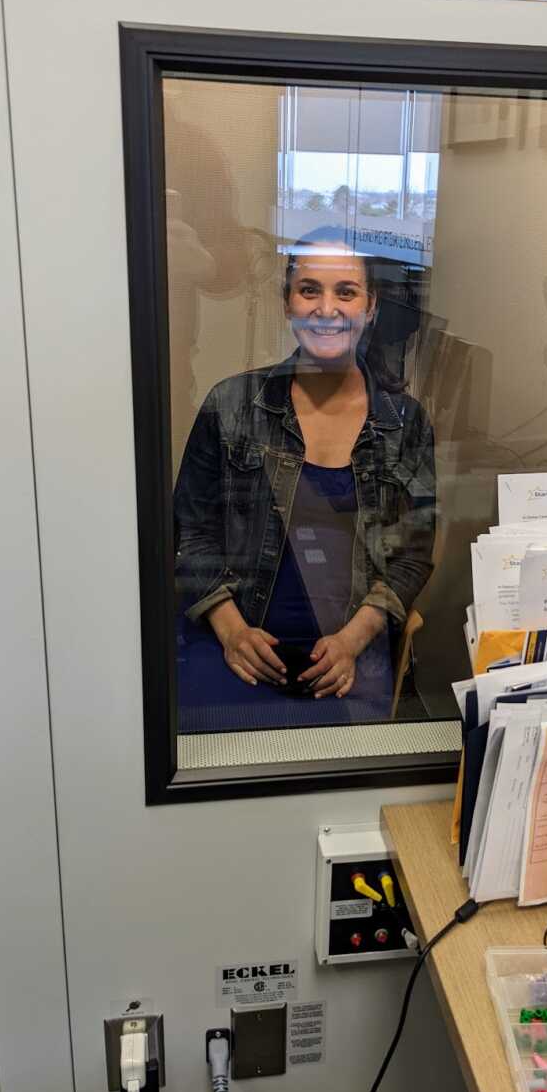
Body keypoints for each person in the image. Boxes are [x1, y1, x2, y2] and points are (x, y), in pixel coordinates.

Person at [173, 228, 436, 730]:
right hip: (231, 657)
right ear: (287, 303)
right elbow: (191, 532)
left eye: (346, 292)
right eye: (309, 289)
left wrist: (352, 642)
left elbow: (413, 554)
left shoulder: (406, 423)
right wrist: (231, 632)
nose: (327, 308)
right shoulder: (230, 406)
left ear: (371, 306)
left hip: (350, 667)